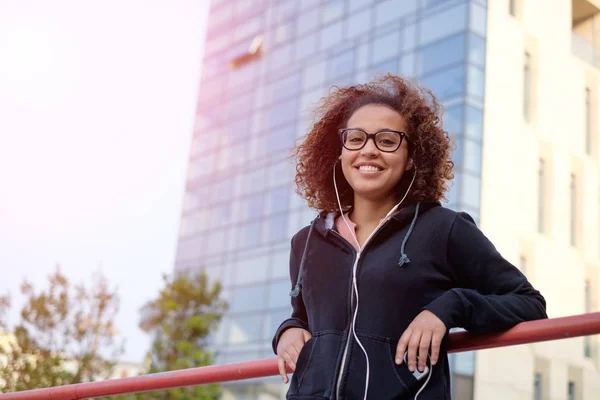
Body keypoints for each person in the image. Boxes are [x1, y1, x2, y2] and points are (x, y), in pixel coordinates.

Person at [270, 74, 547, 400]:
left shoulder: (444, 230)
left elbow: (529, 305)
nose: (368, 150)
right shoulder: (306, 242)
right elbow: (307, 317)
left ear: (412, 157)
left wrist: (450, 307)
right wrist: (287, 331)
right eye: (355, 138)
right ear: (339, 151)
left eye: (387, 141)